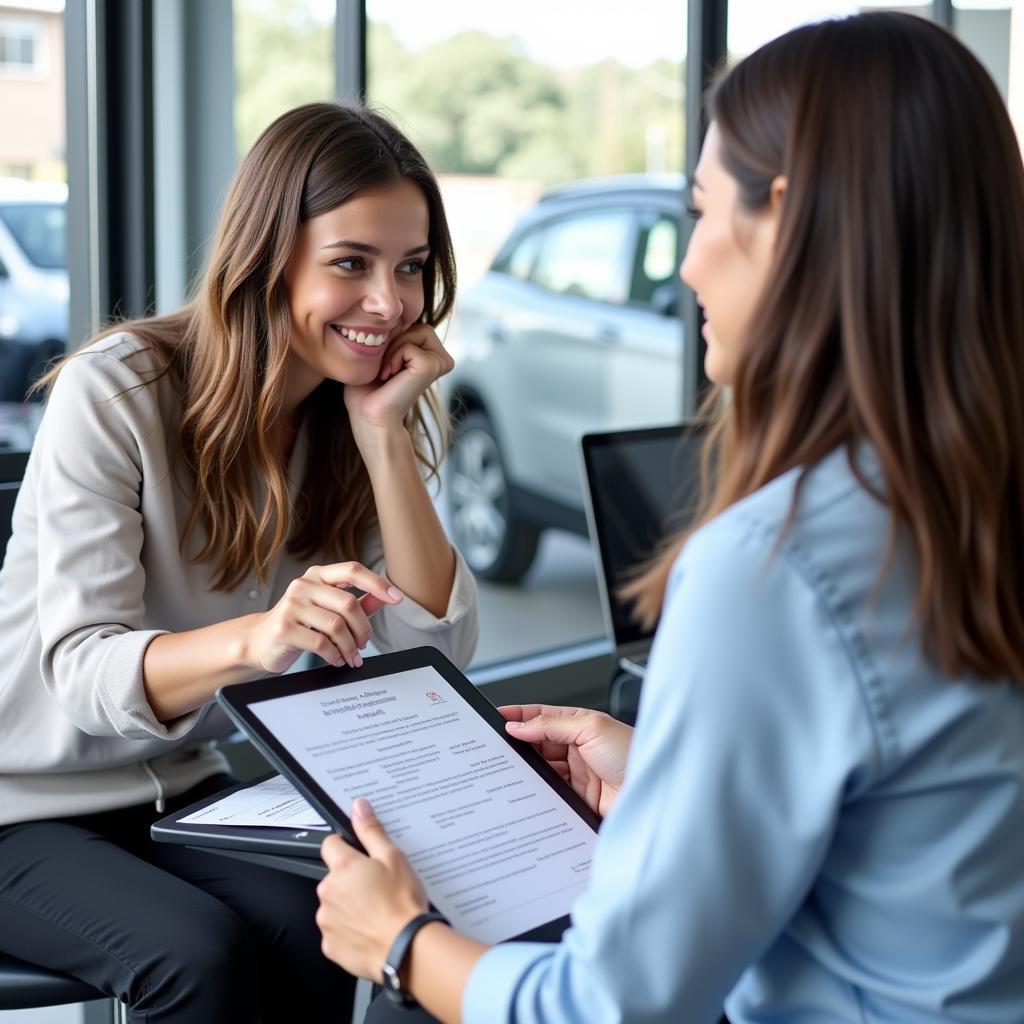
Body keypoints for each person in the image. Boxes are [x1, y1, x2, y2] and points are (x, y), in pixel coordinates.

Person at [314, 13, 1024, 1024]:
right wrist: (664, 771)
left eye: (698, 211)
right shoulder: (966, 493)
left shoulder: (777, 564)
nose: (685, 266)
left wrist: (401, 944)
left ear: (781, 219)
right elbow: (930, 808)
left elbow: (614, 1005)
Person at [0, 102, 478, 1022]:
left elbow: (435, 656)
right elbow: (81, 668)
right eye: (351, 264)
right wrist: (259, 638)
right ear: (269, 257)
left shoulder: (358, 408)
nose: (390, 303)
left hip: (178, 787)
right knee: (199, 957)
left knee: (325, 921)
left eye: (411, 268)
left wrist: (383, 437)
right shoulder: (119, 391)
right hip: (22, 800)